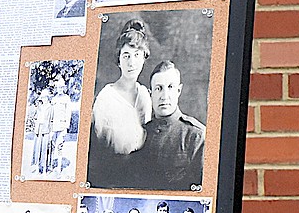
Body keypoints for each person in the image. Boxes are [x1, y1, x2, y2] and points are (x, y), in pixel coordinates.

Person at [87, 18, 152, 188]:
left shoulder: (144, 94)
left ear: (144, 58)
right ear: (118, 59)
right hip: (110, 173)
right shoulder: (106, 97)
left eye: (137, 55)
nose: (132, 62)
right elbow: (99, 144)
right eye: (126, 55)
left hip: (139, 173)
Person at [140, 61, 206, 190]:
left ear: (179, 90)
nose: (164, 96)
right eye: (158, 88)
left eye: (170, 87)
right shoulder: (141, 132)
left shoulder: (196, 136)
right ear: (150, 93)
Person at [48, 75, 72, 177]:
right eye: (58, 87)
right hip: (53, 127)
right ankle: (50, 166)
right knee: (51, 146)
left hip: (62, 126)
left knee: (59, 147)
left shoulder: (66, 98)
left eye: (62, 87)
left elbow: (68, 113)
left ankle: (58, 168)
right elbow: (51, 114)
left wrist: (66, 127)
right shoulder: (53, 99)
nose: (60, 89)